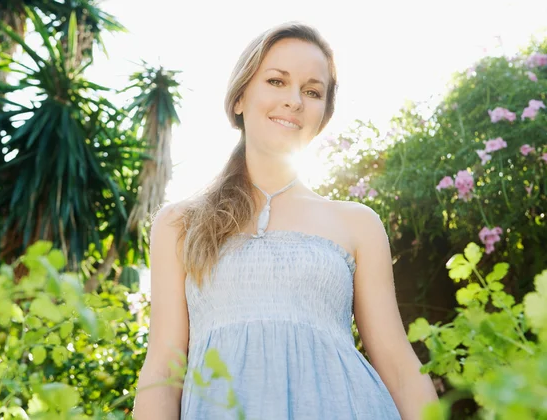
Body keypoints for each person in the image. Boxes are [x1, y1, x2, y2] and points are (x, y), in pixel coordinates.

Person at [133, 21, 438, 420]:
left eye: (312, 91)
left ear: (322, 115)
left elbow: (399, 367)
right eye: (277, 81)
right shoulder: (179, 223)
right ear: (240, 97)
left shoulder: (357, 223)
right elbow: (162, 371)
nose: (294, 100)